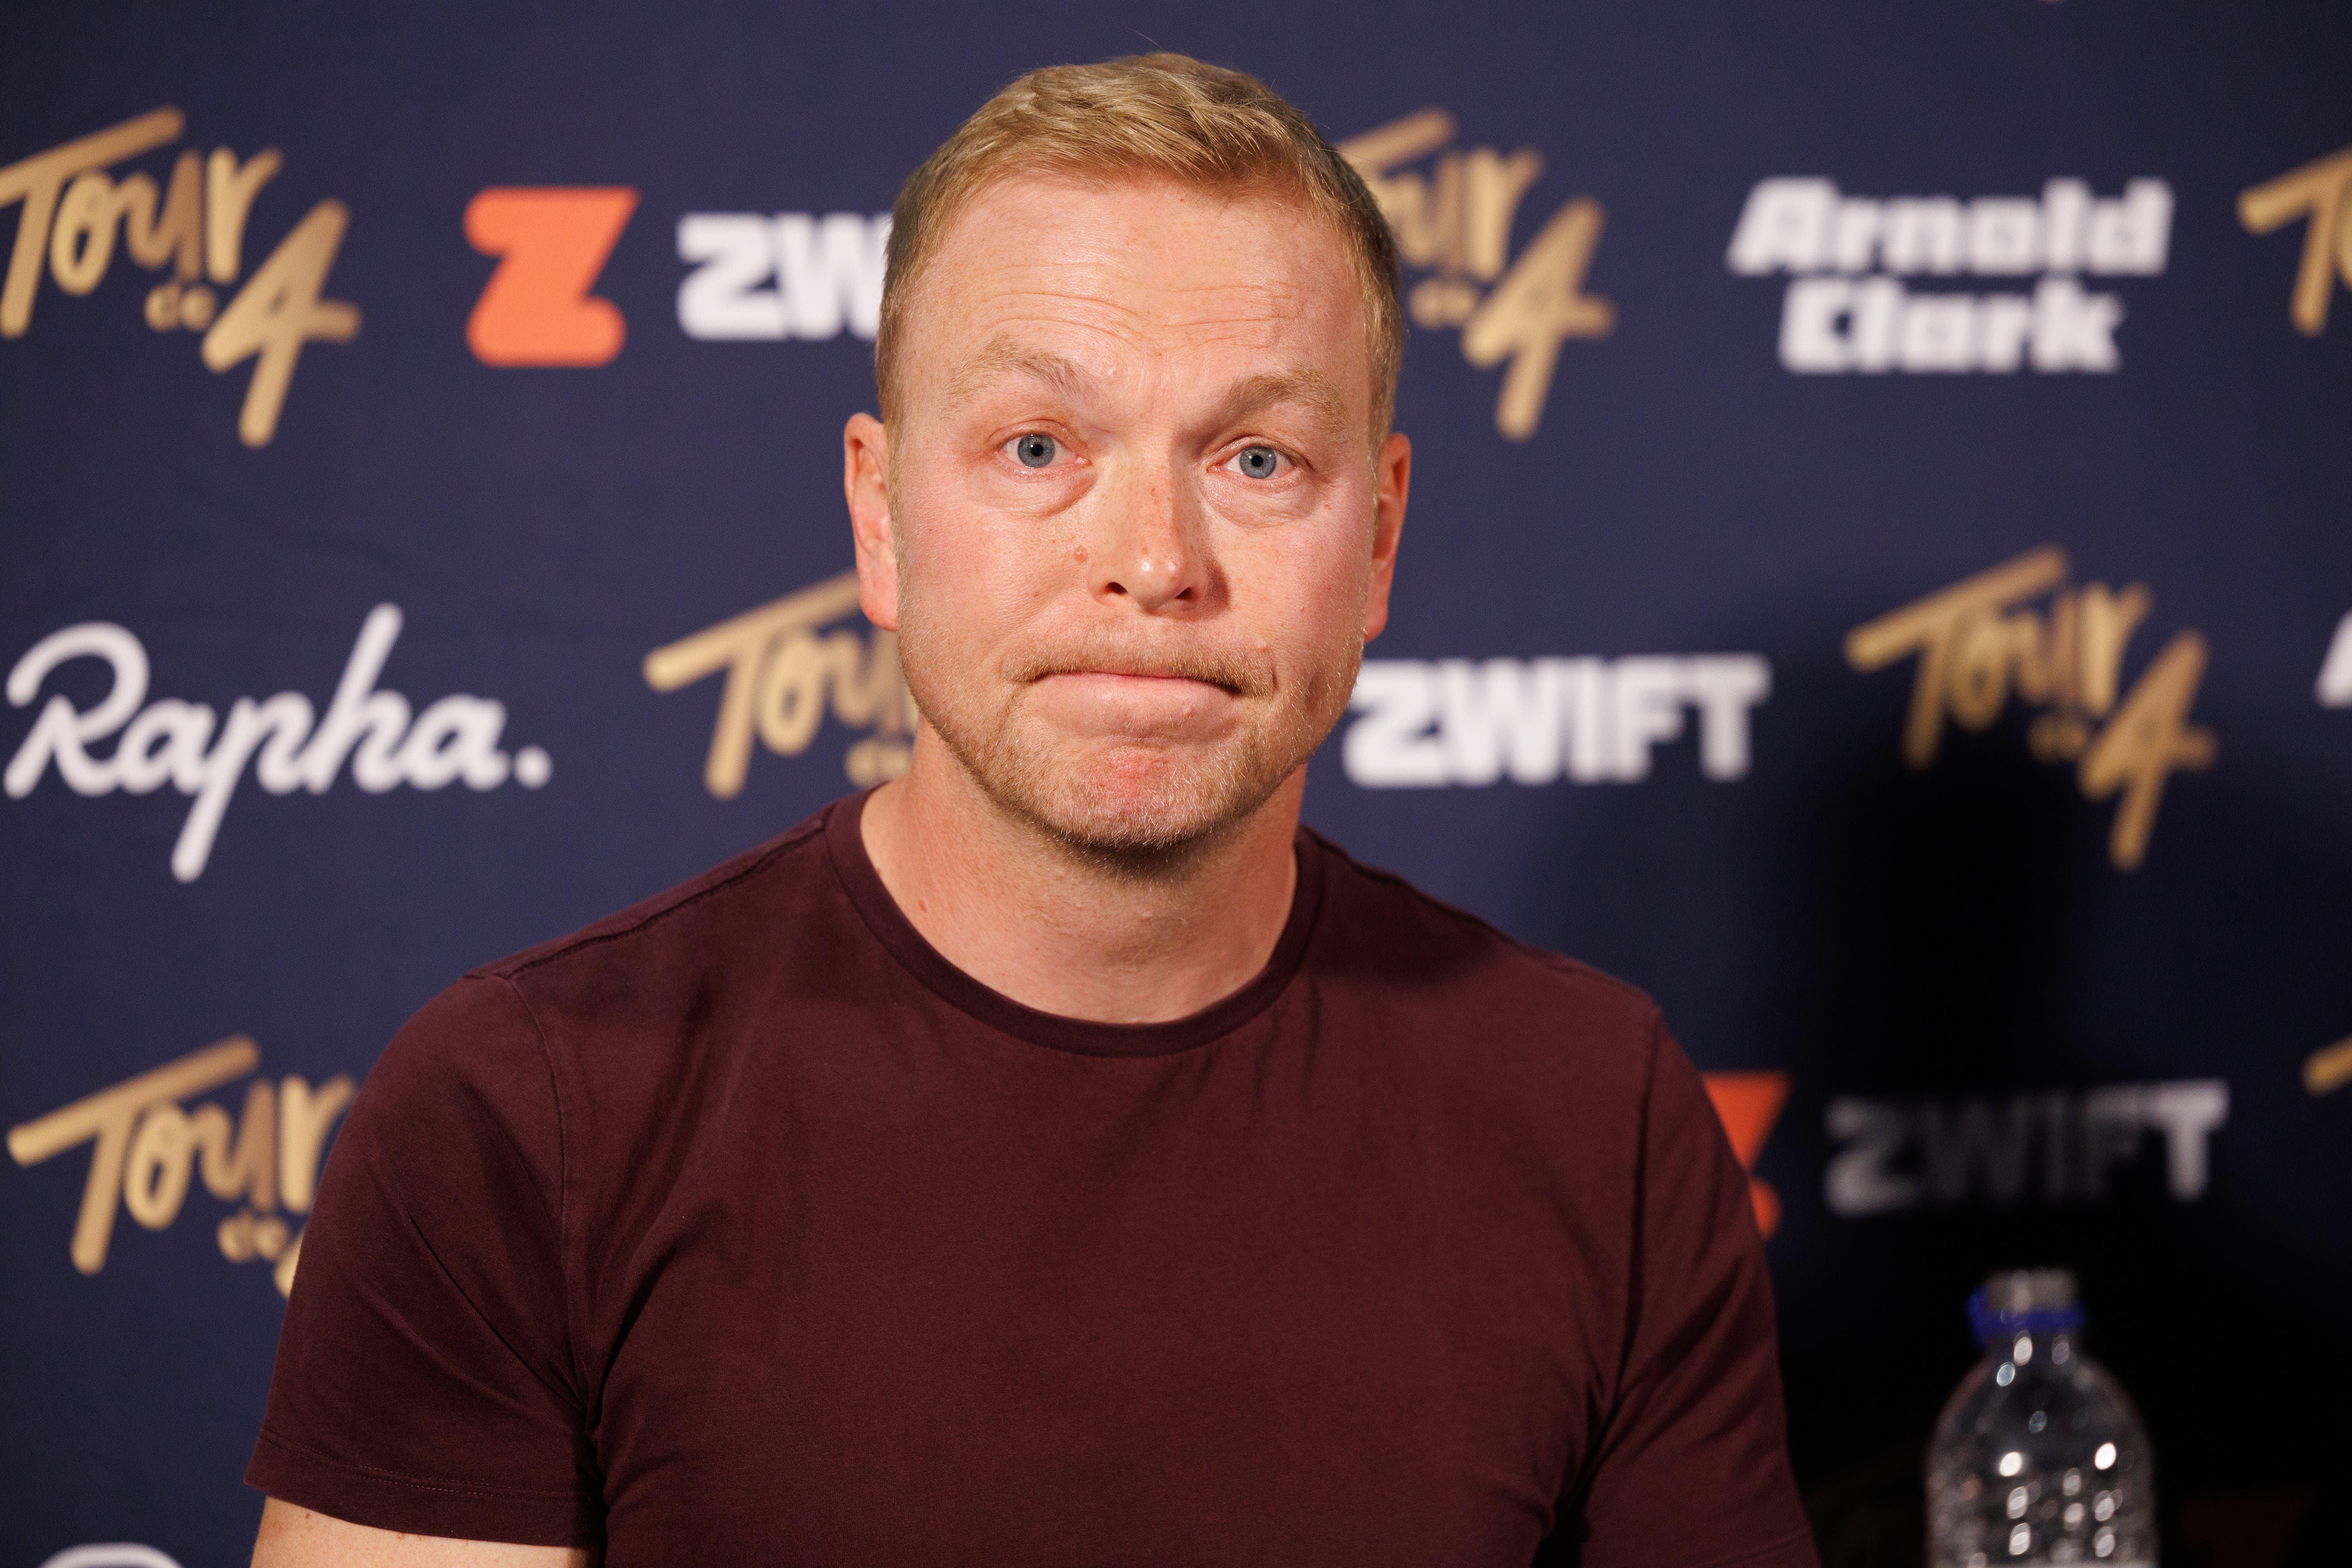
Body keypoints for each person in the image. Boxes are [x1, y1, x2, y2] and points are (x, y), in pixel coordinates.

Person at [247, 53, 1816, 1568]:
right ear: (879, 516)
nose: (1152, 559)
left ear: (1383, 534)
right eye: (1039, 447)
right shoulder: (529, 1115)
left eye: (1259, 457)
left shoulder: (1596, 1112)